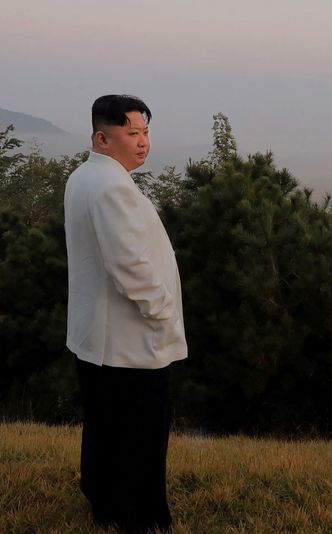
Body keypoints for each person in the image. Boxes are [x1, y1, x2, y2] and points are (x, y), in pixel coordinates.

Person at [64, 94, 187, 531]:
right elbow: (129, 266)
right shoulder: (112, 186)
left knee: (105, 423)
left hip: (98, 335)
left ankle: (106, 503)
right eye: (131, 133)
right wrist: (163, 311)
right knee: (142, 428)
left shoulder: (84, 177)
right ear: (102, 137)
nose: (142, 143)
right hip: (128, 337)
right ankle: (142, 516)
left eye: (146, 132)